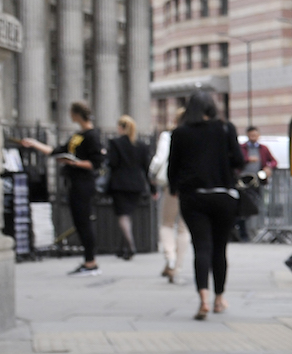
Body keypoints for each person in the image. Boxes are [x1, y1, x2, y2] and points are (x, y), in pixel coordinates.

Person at [167, 90, 245, 320]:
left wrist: (175, 188)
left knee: (201, 247)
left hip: (194, 197)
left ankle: (203, 298)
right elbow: (239, 160)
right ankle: (219, 298)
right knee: (220, 249)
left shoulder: (180, 133)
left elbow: (173, 167)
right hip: (223, 195)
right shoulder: (225, 128)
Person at [19, 101, 105, 275]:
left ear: (77, 114)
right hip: (73, 181)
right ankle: (88, 261)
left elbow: (96, 163)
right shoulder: (77, 135)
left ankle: (91, 262)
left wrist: (74, 162)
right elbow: (56, 151)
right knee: (79, 222)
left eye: (71, 112)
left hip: (84, 182)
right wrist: (35, 144)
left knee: (84, 222)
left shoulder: (92, 136)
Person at [105, 115, 150, 261]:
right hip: (136, 185)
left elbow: (112, 163)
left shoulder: (115, 143)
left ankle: (130, 246)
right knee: (128, 215)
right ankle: (123, 248)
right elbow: (146, 168)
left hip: (120, 184)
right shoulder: (141, 145)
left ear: (121, 127)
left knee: (123, 216)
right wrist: (152, 188)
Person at [149, 124, 189, 284]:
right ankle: (176, 268)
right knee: (183, 228)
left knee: (166, 224)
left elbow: (160, 158)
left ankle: (170, 256)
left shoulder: (169, 135)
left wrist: (152, 173)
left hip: (172, 186)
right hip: (190, 185)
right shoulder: (195, 133)